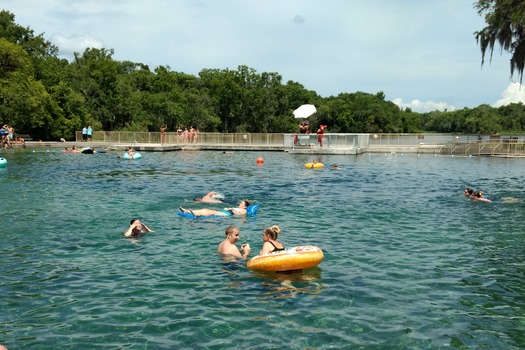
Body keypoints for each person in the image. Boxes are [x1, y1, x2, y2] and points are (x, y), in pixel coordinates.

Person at [180, 200, 251, 218]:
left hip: (226, 214)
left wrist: (231, 210)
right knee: (206, 209)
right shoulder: (239, 208)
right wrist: (228, 208)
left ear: (245, 206)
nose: (239, 204)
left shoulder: (244, 210)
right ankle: (187, 211)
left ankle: (196, 214)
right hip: (225, 212)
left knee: (210, 212)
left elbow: (238, 214)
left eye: (241, 203)